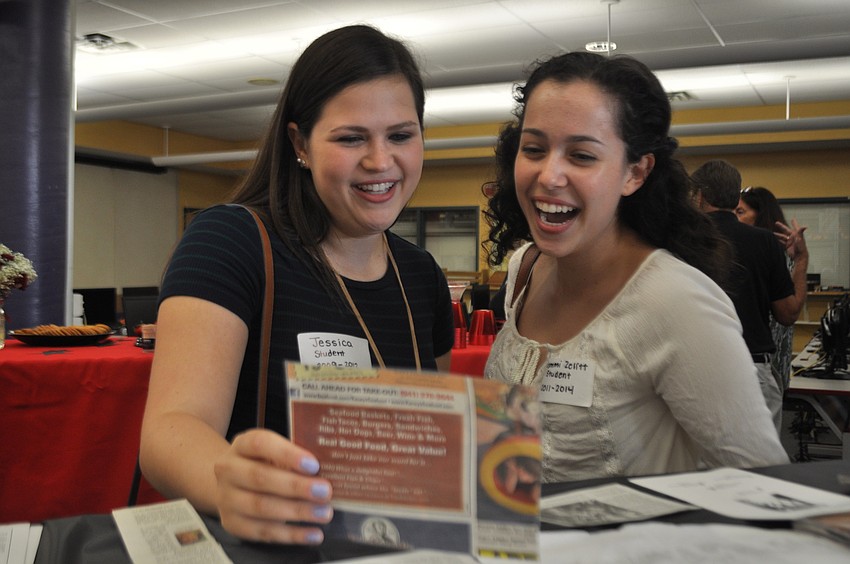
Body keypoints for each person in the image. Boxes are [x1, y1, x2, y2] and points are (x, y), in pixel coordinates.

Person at [139, 25, 454, 545]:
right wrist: (231, 483)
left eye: (401, 135)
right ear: (299, 144)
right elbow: (171, 429)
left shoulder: (420, 275)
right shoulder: (231, 240)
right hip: (274, 546)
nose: (380, 161)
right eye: (351, 138)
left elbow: (430, 435)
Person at [482, 51, 789, 483]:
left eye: (582, 156)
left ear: (636, 172)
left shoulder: (674, 301)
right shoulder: (525, 269)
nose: (549, 175)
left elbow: (760, 485)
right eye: (534, 149)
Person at [692, 161, 809, 432]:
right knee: (759, 469)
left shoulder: (680, 242)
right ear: (735, 199)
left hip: (696, 373)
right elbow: (788, 314)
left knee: (696, 470)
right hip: (751, 372)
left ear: (699, 196)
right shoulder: (765, 242)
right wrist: (801, 260)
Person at [737, 186, 809, 390]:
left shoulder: (774, 252)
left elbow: (788, 313)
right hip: (758, 362)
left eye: (740, 212)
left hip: (765, 361)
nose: (734, 218)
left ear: (760, 216)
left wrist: (800, 260)